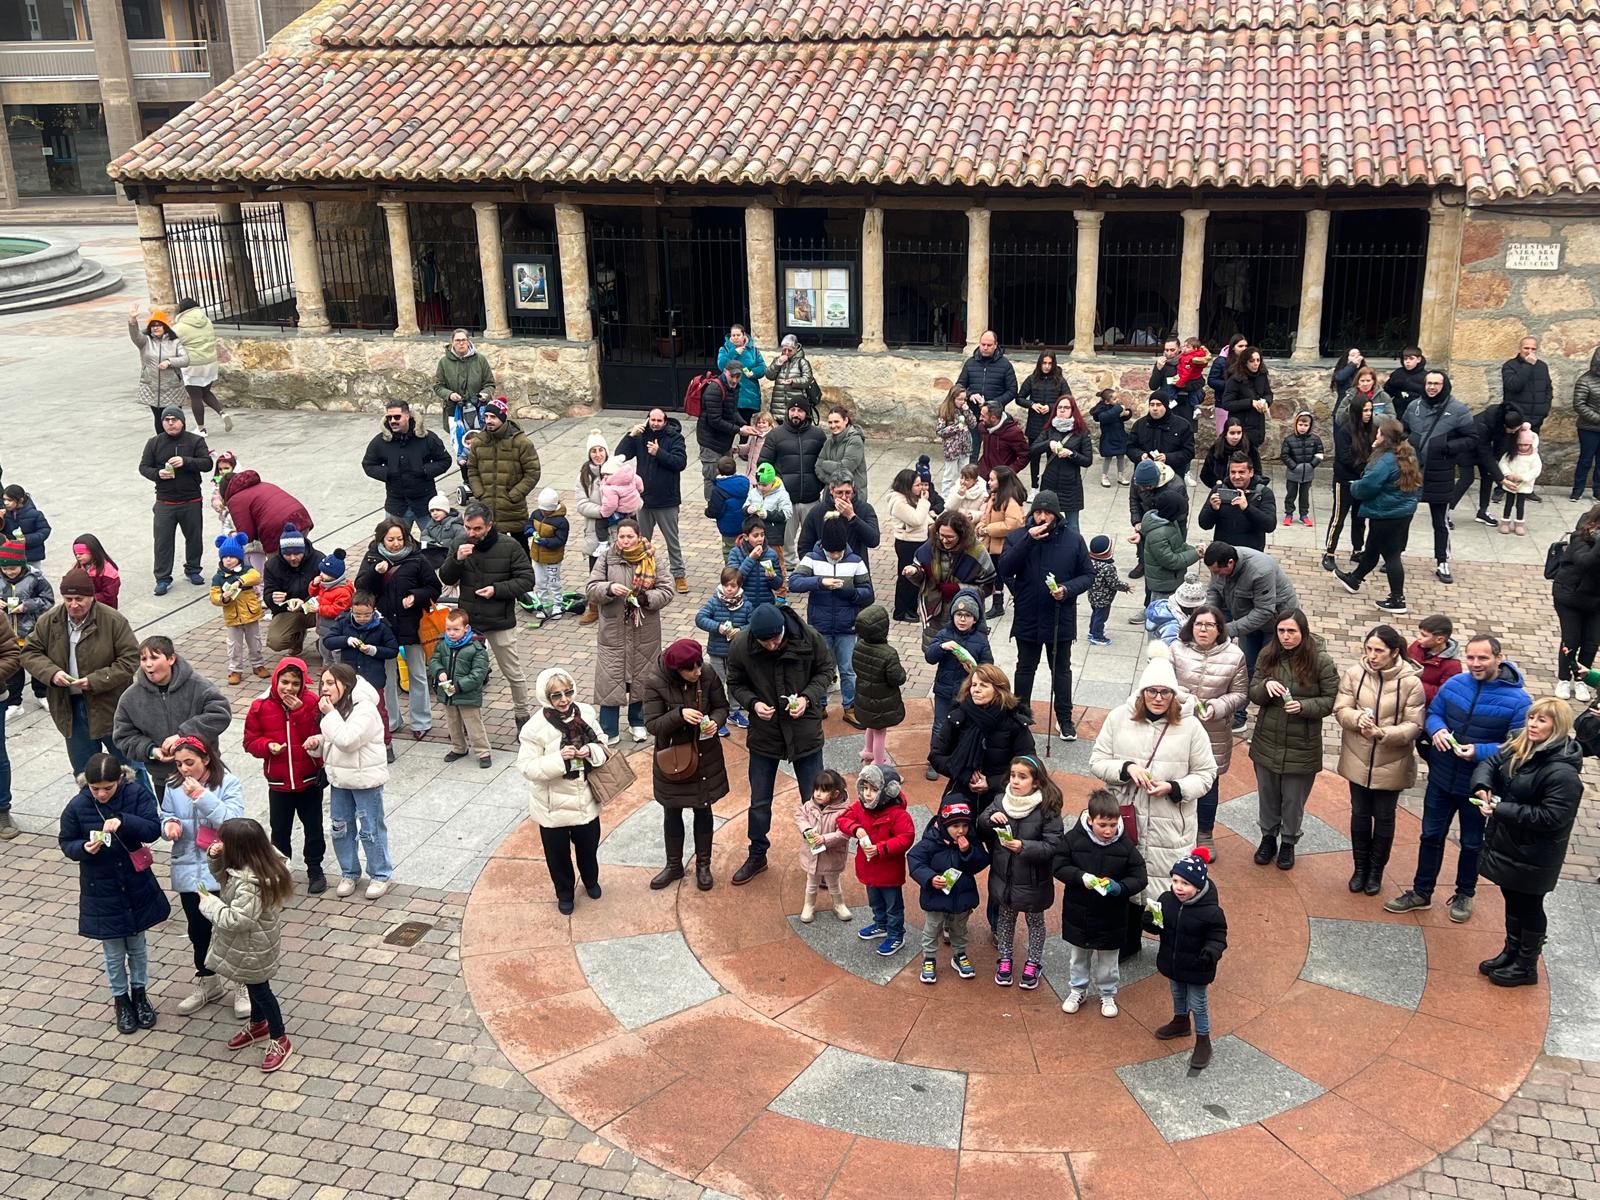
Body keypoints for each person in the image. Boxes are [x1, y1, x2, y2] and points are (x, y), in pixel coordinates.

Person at [1385, 634, 1530, 924]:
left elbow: (1517, 745)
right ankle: (1421, 892)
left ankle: (1465, 893)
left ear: (1499, 658)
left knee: (1473, 842)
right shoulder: (1455, 684)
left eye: (1483, 658)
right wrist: (1436, 729)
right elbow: (1434, 713)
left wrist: (1480, 751)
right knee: (1430, 836)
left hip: (1479, 784)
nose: (1475, 664)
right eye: (1471, 657)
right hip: (1442, 777)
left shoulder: (1519, 701)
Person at [1089, 646, 1217, 957]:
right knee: (1127, 887)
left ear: (1174, 695)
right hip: (1127, 820)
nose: (1158, 698)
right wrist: (1126, 769)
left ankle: (1170, 947)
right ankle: (1128, 944)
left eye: (1164, 692)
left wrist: (1173, 787)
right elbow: (1097, 761)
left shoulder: (1191, 727)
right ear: (1142, 691)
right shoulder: (1119, 718)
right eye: (1152, 691)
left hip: (1170, 825)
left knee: (1166, 889)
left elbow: (1206, 774)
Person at [1472, 697, 1584, 988]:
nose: (1533, 724)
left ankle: (1526, 965)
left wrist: (1501, 809)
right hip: (1512, 844)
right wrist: (1483, 785)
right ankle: (1511, 952)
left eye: (1542, 720)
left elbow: (1553, 816)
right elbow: (1491, 762)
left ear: (1557, 726)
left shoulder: (1562, 772)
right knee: (1512, 899)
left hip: (1535, 853)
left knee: (1530, 905)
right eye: (1532, 718)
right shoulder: (1520, 744)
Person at [725, 602, 836, 884]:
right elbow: (735, 682)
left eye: (776, 639)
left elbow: (826, 672)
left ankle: (819, 858)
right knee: (759, 801)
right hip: (765, 733)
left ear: (783, 629)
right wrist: (753, 703)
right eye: (765, 642)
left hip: (805, 732)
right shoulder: (741, 644)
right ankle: (757, 854)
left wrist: (808, 698)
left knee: (815, 801)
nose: (772, 646)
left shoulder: (809, 637)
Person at [60, 754, 170, 1034]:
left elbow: (153, 829)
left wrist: (123, 820)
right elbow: (67, 841)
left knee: (137, 946)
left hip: (134, 881)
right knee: (112, 950)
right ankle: (121, 1001)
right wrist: (82, 849)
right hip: (102, 887)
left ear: (119, 780)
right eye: (95, 789)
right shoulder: (78, 806)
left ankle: (141, 996)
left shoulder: (135, 793)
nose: (101, 793)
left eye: (107, 788)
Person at [1333, 625, 1426, 896]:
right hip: (1357, 756)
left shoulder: (1411, 682)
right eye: (1369, 649)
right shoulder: (1354, 673)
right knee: (1360, 814)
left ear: (1394, 652)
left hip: (1392, 762)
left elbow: (1414, 726)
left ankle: (1376, 871)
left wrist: (1382, 733)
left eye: (1379, 651)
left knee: (1384, 818)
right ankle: (1360, 868)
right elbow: (1341, 708)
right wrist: (1355, 719)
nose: (1372, 656)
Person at [158, 734, 246, 1018]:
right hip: (188, 867)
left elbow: (232, 821)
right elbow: (166, 814)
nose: (184, 770)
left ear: (206, 759)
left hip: (221, 867)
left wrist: (201, 796)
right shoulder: (172, 786)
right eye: (179, 764)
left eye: (190, 763)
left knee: (229, 928)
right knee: (198, 929)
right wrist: (169, 825)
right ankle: (208, 981)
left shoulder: (228, 784)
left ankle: (242, 983)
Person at [197, 817, 295, 1072]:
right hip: (251, 944)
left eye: (223, 841)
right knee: (252, 984)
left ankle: (279, 1038)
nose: (219, 844)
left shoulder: (251, 884)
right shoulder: (255, 865)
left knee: (261, 990)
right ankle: (258, 1023)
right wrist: (215, 857)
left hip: (252, 946)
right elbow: (225, 877)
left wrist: (209, 903)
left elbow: (238, 919)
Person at [22, 568, 139, 775]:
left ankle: (139, 807)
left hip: (109, 705)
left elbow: (130, 659)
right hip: (70, 708)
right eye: (68, 599)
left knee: (129, 770)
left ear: (92, 597)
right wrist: (52, 673)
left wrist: (94, 681)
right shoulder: (50, 620)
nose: (73, 604)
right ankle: (93, 807)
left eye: (79, 599)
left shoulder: (112, 620)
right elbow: (30, 653)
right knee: (85, 773)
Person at [1246, 609, 1338, 871]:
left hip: (1302, 744)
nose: (1286, 637)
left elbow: (1330, 701)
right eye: (1281, 631)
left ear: (1303, 632)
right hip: (1268, 739)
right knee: (1268, 794)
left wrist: (1304, 706)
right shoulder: (1268, 654)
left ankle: (1288, 841)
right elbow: (1254, 691)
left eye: (1291, 631)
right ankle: (1267, 838)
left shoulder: (1321, 661)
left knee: (1293, 799)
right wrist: (1264, 688)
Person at [997, 491, 1091, 738]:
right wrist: (1028, 541)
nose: (1042, 517)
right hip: (1028, 615)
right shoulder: (1018, 536)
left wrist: (1067, 590)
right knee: (1025, 668)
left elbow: (1087, 575)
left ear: (1057, 515)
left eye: (1047, 512)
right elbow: (1005, 567)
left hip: (1060, 616)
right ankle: (1021, 714)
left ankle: (1064, 718)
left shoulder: (1074, 540)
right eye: (1038, 512)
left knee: (1061, 670)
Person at [519, 667, 609, 914]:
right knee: (557, 856)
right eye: (556, 695)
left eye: (567, 692)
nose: (564, 700)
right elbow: (527, 767)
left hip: (585, 797)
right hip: (552, 805)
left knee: (588, 847)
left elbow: (603, 743)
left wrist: (591, 751)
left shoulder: (586, 714)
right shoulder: (534, 728)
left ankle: (591, 880)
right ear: (546, 698)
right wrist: (560, 760)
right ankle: (565, 893)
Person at [642, 639, 730, 892]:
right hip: (672, 757)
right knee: (672, 809)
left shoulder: (708, 674)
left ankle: (704, 865)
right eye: (690, 670)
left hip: (704, 754)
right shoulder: (654, 682)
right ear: (676, 670)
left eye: (698, 666)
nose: (698, 672)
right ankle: (673, 865)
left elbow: (722, 706)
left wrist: (715, 721)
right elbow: (652, 725)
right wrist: (679, 715)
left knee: (703, 808)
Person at [439, 503, 536, 728]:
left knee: (512, 671)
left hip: (499, 620)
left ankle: (522, 715)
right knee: (463, 670)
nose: (471, 533)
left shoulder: (509, 546)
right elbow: (446, 577)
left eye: (477, 529)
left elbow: (527, 579)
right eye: (468, 528)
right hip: (469, 622)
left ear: (489, 526)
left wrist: (497, 589)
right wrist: (457, 559)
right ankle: (465, 717)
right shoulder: (459, 543)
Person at [1052, 787, 1148, 1016]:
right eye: (1103, 825)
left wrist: (1120, 888)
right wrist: (1079, 877)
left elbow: (1140, 876)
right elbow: (1058, 865)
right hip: (1080, 913)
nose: (1108, 831)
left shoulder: (1125, 846)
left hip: (1112, 916)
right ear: (1090, 819)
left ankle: (1108, 994)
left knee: (1109, 961)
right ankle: (1077, 989)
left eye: (1113, 825)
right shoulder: (1073, 839)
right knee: (1078, 957)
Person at [585, 518, 674, 744]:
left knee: (642, 678)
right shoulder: (607, 557)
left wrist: (646, 598)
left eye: (630, 537)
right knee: (610, 679)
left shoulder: (652, 557)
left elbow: (666, 590)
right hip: (613, 632)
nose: (625, 541)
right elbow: (591, 588)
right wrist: (609, 589)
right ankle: (608, 728)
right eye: (622, 537)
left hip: (644, 631)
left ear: (638, 536)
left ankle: (638, 722)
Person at [243, 657, 327, 892]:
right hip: (279, 781)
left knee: (314, 827)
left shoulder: (312, 702)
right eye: (285, 682)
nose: (289, 688)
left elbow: (319, 735)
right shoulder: (260, 706)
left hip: (309, 778)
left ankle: (315, 868)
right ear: (276, 680)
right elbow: (250, 742)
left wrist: (299, 712)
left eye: (295, 683)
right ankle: (280, 872)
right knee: (279, 830)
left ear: (303, 685)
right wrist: (267, 746)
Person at [979, 755, 1063, 988]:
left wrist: (1024, 847)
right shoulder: (1000, 800)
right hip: (1004, 876)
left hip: (1033, 880)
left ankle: (1033, 963)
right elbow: (982, 821)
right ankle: (1005, 958)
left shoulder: (1046, 809)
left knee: (1035, 921)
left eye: (1022, 777)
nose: (1015, 781)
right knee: (1005, 919)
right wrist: (989, 818)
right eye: (1013, 775)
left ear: (1036, 782)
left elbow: (1054, 845)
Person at [112, 635, 231, 796]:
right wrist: (151, 750)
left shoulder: (198, 685)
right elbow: (123, 736)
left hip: (205, 773)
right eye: (143, 658)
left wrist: (183, 735)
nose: (148, 664)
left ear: (171, 659)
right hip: (166, 779)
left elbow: (220, 713)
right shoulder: (130, 698)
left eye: (154, 657)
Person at [311, 662, 392, 899]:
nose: (324, 688)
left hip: (365, 780)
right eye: (322, 683)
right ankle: (349, 872)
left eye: (330, 683)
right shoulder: (336, 709)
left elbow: (348, 740)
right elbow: (335, 739)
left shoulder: (365, 709)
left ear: (345, 684)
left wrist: (329, 716)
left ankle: (380, 874)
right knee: (340, 828)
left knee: (370, 829)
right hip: (340, 780)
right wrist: (318, 744)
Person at [1170, 605, 1248, 853]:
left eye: (1209, 625)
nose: (1203, 629)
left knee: (1208, 783)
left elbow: (1240, 694)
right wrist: (1182, 698)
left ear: (1219, 629)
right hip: (1177, 726)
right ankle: (1174, 830)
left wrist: (1217, 706)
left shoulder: (1235, 656)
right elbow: (1163, 682)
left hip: (1212, 731)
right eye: (1198, 624)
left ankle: (1204, 833)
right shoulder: (1175, 649)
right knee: (1174, 778)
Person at [356, 519, 441, 740]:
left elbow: (434, 587)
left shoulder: (417, 559)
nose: (395, 544)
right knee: (387, 675)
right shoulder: (373, 558)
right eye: (390, 539)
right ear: (381, 539)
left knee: (418, 674)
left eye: (399, 539)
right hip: (383, 627)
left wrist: (416, 596)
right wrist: (376, 572)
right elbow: (362, 588)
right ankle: (391, 720)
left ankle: (421, 721)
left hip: (412, 625)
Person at [787, 517, 872, 724]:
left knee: (848, 670)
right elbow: (794, 582)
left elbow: (868, 593)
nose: (835, 555)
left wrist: (848, 591)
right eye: (831, 551)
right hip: (820, 626)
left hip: (847, 627)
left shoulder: (855, 561)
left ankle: (850, 706)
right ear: (823, 545)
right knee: (820, 668)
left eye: (838, 551)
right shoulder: (812, 558)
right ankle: (819, 704)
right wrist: (820, 582)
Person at [929, 663, 1037, 828]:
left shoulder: (1014, 723)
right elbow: (936, 755)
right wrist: (964, 772)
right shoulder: (958, 717)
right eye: (974, 685)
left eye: (983, 685)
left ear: (998, 690)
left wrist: (992, 782)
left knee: (1000, 846)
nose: (976, 689)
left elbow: (1029, 764)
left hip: (1001, 795)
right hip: (962, 789)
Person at [1334, 419, 1422, 615]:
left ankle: (1397, 599)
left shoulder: (1385, 460)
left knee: (1391, 555)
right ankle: (1355, 579)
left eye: (1379, 434)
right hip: (1402, 511)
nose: (1376, 436)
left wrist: (1353, 486)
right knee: (1372, 548)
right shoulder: (1408, 453)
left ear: (1385, 438)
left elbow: (1368, 486)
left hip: (1387, 513)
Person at [1153, 848, 1227, 1070]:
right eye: (1175, 881)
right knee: (1177, 993)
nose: (1178, 887)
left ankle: (1203, 1040)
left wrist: (1211, 952)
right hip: (1173, 962)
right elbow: (1159, 926)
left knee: (1198, 1003)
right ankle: (1180, 1021)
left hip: (1197, 967)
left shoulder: (1212, 912)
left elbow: (1218, 937)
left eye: (1185, 883)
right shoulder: (1166, 900)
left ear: (1198, 886)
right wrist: (1149, 921)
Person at [1402, 369, 1476, 585]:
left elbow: (1471, 438)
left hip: (1440, 472)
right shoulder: (1413, 406)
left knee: (1440, 522)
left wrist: (1446, 447)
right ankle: (1395, 555)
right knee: (1403, 516)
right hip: (1413, 471)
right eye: (1429, 383)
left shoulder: (1458, 409)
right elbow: (1402, 429)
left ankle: (1442, 561)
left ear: (1445, 385)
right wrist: (1409, 442)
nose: (1432, 387)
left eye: (1437, 383)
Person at [908, 798, 990, 984]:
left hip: (962, 895)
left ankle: (959, 955)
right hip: (935, 897)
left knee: (959, 929)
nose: (961, 831)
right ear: (945, 825)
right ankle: (929, 959)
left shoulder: (970, 841)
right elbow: (915, 860)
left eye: (964, 825)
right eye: (955, 826)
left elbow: (982, 861)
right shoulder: (931, 842)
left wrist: (968, 852)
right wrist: (929, 877)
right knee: (932, 928)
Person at [837, 765, 916, 957]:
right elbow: (842, 820)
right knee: (875, 902)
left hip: (889, 873)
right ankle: (880, 924)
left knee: (893, 906)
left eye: (873, 790)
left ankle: (896, 934)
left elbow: (906, 837)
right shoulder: (859, 807)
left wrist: (880, 849)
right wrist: (856, 828)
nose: (867, 794)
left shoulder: (899, 815)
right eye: (864, 789)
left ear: (887, 792)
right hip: (868, 869)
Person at [138, 406, 213, 595]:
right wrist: (157, 474)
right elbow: (143, 467)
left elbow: (207, 463)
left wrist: (186, 461)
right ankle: (163, 578)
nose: (170, 423)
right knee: (163, 542)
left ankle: (193, 569)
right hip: (165, 501)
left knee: (194, 538)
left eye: (174, 419)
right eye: (166, 420)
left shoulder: (195, 440)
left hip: (191, 500)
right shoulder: (154, 443)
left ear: (182, 421)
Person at [616, 408, 690, 591]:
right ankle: (639, 573)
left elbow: (680, 463)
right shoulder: (641, 435)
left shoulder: (675, 438)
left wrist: (659, 453)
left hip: (667, 500)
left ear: (665, 421)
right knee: (640, 540)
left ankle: (679, 575)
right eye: (652, 420)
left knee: (672, 540)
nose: (655, 423)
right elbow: (619, 456)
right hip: (643, 500)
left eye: (659, 420)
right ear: (648, 419)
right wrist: (630, 436)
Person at [1202, 542, 1299, 680]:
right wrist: (1208, 618)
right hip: (1247, 618)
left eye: (1217, 572)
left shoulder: (1261, 571)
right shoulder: (1219, 566)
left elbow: (1264, 610)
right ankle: (1244, 698)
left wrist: (1228, 629)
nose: (1215, 575)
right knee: (1246, 665)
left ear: (1230, 563)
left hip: (1276, 622)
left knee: (1269, 666)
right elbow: (1214, 592)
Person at [361, 401, 453, 533]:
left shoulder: (427, 438)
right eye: (389, 417)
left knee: (435, 544)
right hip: (396, 504)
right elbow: (368, 464)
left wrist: (424, 470)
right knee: (392, 544)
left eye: (397, 417)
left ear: (407, 416)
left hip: (425, 503)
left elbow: (445, 460)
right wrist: (388, 473)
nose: (392, 421)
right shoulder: (380, 441)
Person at [905, 511, 993, 648]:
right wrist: (914, 572)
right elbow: (924, 580)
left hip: (966, 615)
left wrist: (959, 589)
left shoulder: (977, 552)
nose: (944, 540)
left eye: (950, 537)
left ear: (961, 535)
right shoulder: (930, 547)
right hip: (935, 613)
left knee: (964, 657)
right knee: (936, 653)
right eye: (941, 536)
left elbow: (987, 588)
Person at [759, 400, 827, 560]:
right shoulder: (776, 435)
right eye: (793, 410)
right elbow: (763, 463)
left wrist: (818, 484)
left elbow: (825, 461)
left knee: (814, 540)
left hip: (811, 498)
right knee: (786, 542)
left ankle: (811, 569)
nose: (795, 414)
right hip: (786, 500)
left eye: (800, 410)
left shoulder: (818, 435)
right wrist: (775, 484)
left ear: (807, 413)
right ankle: (788, 571)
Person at [466, 396, 542, 531]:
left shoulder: (521, 443)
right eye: (486, 416)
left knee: (519, 549)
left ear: (502, 417)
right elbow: (472, 469)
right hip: (487, 509)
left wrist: (515, 495)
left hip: (513, 510)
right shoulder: (478, 442)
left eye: (493, 417)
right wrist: (479, 492)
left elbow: (533, 472)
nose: (488, 421)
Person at [429, 609, 493, 768]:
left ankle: (483, 751)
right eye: (448, 629)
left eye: (456, 629)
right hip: (448, 694)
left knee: (473, 724)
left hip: (467, 694)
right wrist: (439, 671)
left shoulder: (476, 648)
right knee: (452, 722)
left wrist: (459, 686)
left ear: (466, 628)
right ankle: (459, 747)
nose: (451, 633)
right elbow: (434, 660)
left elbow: (478, 674)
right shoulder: (442, 644)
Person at [695, 566, 755, 734]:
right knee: (716, 684)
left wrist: (741, 630)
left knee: (735, 682)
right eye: (726, 585)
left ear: (739, 587)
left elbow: (752, 625)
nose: (729, 589)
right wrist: (718, 627)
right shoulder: (715, 601)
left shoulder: (746, 605)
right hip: (716, 651)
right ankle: (717, 716)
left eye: (733, 586)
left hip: (736, 653)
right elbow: (700, 618)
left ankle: (734, 711)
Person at [1323, 391, 1379, 570]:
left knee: (1359, 517)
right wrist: (1364, 466)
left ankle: (1357, 549)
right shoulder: (1346, 430)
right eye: (1364, 410)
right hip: (1345, 480)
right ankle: (1329, 552)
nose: (1368, 414)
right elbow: (1345, 457)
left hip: (1362, 481)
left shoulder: (1373, 430)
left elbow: (1375, 453)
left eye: (1370, 410)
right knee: (1338, 517)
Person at [1553, 503, 1600, 701]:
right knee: (1571, 640)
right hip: (1570, 596)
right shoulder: (1580, 537)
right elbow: (1585, 562)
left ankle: (1582, 679)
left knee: (1591, 642)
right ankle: (1564, 678)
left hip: (1597, 601)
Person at [216, 466, 313, 562]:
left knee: (275, 566)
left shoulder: (235, 499)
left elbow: (246, 535)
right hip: (301, 517)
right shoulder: (262, 484)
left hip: (276, 528)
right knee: (299, 559)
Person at [849, 604, 905, 767]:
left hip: (864, 697)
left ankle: (868, 752)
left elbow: (855, 667)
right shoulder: (888, 653)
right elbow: (897, 678)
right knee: (880, 732)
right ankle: (879, 765)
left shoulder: (859, 646)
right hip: (882, 701)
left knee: (870, 727)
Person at [209, 533, 269, 685]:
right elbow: (214, 596)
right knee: (234, 645)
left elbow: (256, 576)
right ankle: (235, 669)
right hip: (232, 617)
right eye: (225, 557)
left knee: (255, 642)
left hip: (250, 614)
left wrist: (239, 581)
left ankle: (258, 664)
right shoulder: (219, 577)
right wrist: (223, 598)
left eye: (232, 556)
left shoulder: (247, 570)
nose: (228, 560)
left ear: (239, 557)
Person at [794, 770, 853, 923]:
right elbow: (800, 816)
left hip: (831, 856)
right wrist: (806, 829)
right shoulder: (810, 805)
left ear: (835, 793)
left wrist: (825, 839)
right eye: (816, 789)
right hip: (812, 854)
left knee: (833, 881)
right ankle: (808, 904)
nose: (818, 794)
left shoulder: (844, 812)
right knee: (811, 881)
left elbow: (844, 833)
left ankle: (838, 903)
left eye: (823, 791)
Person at [0, 540, 51, 714]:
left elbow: (48, 600)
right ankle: (15, 703)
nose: (9, 572)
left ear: (22, 565)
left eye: (13, 568)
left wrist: (26, 606)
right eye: (5, 569)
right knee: (13, 668)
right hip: (7, 634)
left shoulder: (35, 578)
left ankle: (42, 694)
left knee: (36, 665)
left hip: (30, 631)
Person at [1031, 393, 1094, 533]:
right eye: (1059, 407)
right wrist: (1048, 443)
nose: (1062, 410)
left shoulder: (1081, 432)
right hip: (1049, 482)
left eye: (1066, 407)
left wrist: (1071, 454)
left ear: (1072, 410)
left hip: (1070, 485)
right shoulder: (1049, 429)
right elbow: (1033, 449)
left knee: (1072, 526)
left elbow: (1088, 461)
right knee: (1047, 524)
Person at [956, 331, 1019, 457]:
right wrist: (970, 395)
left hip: (994, 417)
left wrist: (994, 404)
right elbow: (959, 386)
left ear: (996, 345)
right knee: (972, 451)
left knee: (994, 453)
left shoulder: (1005, 365)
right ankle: (971, 475)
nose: (985, 347)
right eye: (983, 344)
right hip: (973, 414)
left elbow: (1012, 390)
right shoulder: (970, 363)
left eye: (989, 345)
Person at [128, 303, 189, 433]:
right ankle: (162, 445)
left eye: (158, 325)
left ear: (165, 327)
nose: (155, 328)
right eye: (153, 326)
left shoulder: (175, 342)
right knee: (159, 418)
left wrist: (169, 362)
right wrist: (132, 320)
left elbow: (185, 360)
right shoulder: (145, 341)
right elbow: (134, 335)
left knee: (176, 418)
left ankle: (182, 444)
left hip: (172, 387)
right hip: (152, 387)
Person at [1197, 452, 1275, 554]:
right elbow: (1204, 524)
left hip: (1251, 554)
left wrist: (1247, 508)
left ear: (1251, 472)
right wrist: (1213, 509)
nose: (1236, 476)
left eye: (1241, 472)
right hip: (1223, 554)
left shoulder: (1263, 493)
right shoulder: (1219, 490)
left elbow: (1269, 525)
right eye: (1233, 472)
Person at [975, 466, 1026, 618]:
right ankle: (998, 605)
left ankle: (1022, 599)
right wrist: (980, 527)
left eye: (992, 479)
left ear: (1002, 481)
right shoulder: (994, 497)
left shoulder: (1011, 501)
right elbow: (986, 516)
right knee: (996, 576)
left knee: (1006, 576)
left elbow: (1012, 525)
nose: (989, 482)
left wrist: (987, 529)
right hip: (992, 546)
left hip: (1005, 547)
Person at [170, 298, 227, 435]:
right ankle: (222, 413)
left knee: (195, 396)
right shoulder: (207, 321)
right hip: (210, 363)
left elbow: (171, 344)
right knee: (206, 392)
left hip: (192, 365)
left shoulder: (180, 327)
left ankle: (201, 428)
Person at [797, 474, 881, 565]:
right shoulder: (817, 511)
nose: (844, 497)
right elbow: (804, 546)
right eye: (839, 492)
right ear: (831, 491)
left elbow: (873, 541)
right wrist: (815, 567)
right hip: (824, 571)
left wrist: (852, 517)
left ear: (853, 490)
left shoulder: (865, 509)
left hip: (855, 568)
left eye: (848, 493)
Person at [1016, 351, 1071, 488]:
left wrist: (1051, 407)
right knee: (1034, 456)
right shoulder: (1032, 379)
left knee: (1052, 457)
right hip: (1035, 424)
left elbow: (1068, 399)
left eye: (1049, 363)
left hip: (1053, 425)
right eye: (1044, 363)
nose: (1046, 366)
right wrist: (1032, 404)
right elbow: (1019, 398)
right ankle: (1034, 486)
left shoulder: (1059, 381)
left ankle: (1048, 485)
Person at [262, 524, 318, 657]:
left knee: (335, 617)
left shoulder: (318, 559)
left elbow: (328, 592)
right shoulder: (272, 564)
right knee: (275, 641)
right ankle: (296, 637)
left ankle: (325, 643)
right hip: (288, 610)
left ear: (304, 550)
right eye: (288, 554)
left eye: (297, 553)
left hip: (315, 608)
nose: (293, 558)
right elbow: (268, 593)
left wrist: (305, 604)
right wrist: (272, 598)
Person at [886, 468, 933, 622]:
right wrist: (924, 502)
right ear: (907, 486)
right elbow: (917, 519)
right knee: (906, 577)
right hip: (907, 544)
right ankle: (902, 611)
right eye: (917, 485)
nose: (921, 488)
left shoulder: (911, 498)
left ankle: (911, 609)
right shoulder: (898, 502)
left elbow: (924, 518)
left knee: (916, 577)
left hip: (918, 541)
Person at [695, 360, 746, 501]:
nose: (735, 380)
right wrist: (738, 430)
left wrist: (744, 424)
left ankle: (722, 502)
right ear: (725, 372)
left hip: (724, 440)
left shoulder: (734, 388)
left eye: (738, 376)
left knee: (726, 473)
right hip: (710, 441)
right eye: (732, 376)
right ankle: (712, 506)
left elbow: (732, 411)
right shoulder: (714, 390)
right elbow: (714, 420)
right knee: (711, 476)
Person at [1138, 490, 1198, 610]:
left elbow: (1179, 545)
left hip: (1172, 581)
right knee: (1162, 618)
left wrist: (1193, 549)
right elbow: (1171, 561)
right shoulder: (1158, 534)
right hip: (1163, 586)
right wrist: (1196, 554)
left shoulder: (1170, 523)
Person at [574, 431, 611, 624]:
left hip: (616, 529)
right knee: (595, 572)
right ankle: (594, 607)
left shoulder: (617, 470)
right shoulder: (584, 476)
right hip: (594, 532)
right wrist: (603, 511)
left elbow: (632, 495)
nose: (598, 454)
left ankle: (617, 607)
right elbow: (581, 504)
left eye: (601, 450)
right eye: (594, 451)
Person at [523, 488, 570, 625]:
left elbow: (561, 540)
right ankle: (543, 604)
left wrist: (546, 542)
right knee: (539, 582)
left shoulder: (561, 522)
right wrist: (529, 530)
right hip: (537, 556)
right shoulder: (536, 514)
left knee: (554, 582)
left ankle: (557, 604)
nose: (544, 512)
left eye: (547, 510)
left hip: (553, 558)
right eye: (542, 510)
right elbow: (529, 523)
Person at [433, 328, 495, 426]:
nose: (461, 343)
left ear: (468, 342)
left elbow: (490, 384)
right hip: (454, 410)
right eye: (457, 340)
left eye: (463, 340)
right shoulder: (444, 362)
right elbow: (438, 386)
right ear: (452, 343)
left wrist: (484, 394)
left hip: (478, 410)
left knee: (479, 440)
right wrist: (450, 395)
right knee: (458, 439)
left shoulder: (480, 360)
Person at [1129, 393, 1195, 482]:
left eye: (1159, 405)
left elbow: (1188, 452)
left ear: (1166, 406)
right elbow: (1130, 447)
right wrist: (1140, 455)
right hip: (1145, 478)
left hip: (1172, 478)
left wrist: (1167, 457)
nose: (1155, 408)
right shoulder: (1140, 424)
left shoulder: (1182, 425)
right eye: (1152, 405)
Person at [1218, 345, 1272, 449]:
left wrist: (1266, 402)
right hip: (1240, 425)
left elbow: (1268, 393)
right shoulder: (1235, 379)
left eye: (1258, 360)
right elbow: (1227, 403)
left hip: (1257, 424)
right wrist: (1250, 403)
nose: (1256, 363)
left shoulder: (1262, 375)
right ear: (1245, 362)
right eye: (1252, 361)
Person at [1501, 335, 1554, 437]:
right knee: (1513, 449)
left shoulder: (1542, 366)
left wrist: (1544, 410)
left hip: (1536, 419)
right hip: (1516, 418)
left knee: (1532, 449)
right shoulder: (1509, 365)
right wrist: (1528, 365)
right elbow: (1513, 386)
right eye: (1526, 348)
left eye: (1533, 349)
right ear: (1520, 348)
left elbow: (1548, 389)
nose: (1530, 351)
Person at [1084, 535, 1131, 647]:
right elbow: (1114, 583)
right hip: (1104, 599)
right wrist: (1125, 587)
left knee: (1095, 614)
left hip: (1092, 595)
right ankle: (1097, 636)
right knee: (1101, 617)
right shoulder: (1108, 567)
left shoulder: (1089, 562)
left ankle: (1092, 631)